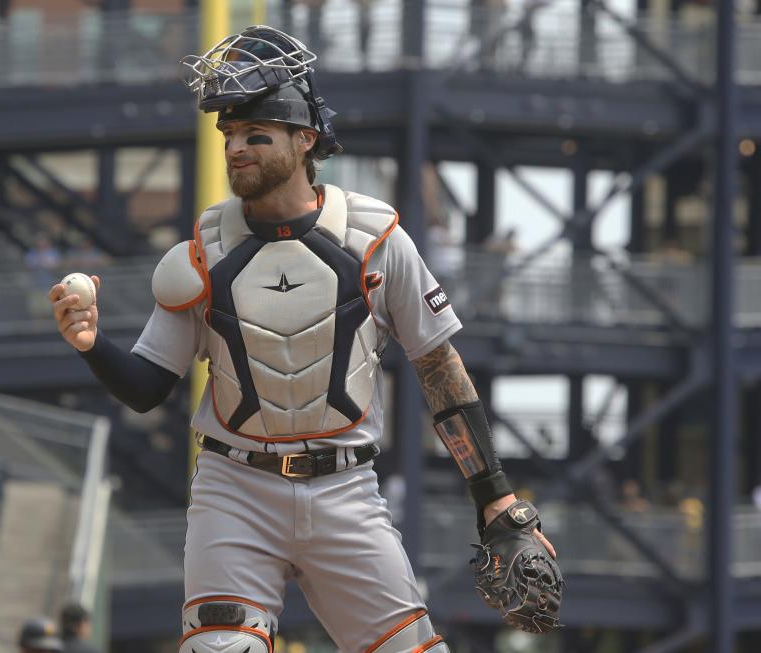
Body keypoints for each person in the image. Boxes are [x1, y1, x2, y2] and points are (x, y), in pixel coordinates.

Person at [50, 26, 558, 653]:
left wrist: (495, 496)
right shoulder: (200, 256)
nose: (236, 149)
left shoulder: (375, 239)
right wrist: (90, 342)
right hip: (235, 489)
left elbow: (438, 368)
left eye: (255, 136)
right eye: (230, 136)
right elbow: (147, 388)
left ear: (304, 139)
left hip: (346, 487)